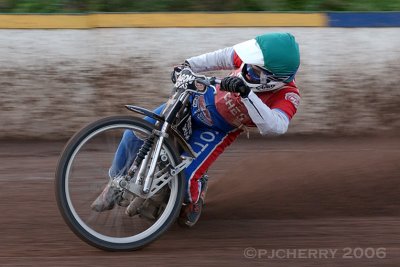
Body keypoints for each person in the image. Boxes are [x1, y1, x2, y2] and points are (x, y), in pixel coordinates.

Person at [91, 32, 301, 227]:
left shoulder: (288, 95)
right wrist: (188, 65)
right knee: (134, 134)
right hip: (191, 101)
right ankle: (114, 183)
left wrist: (247, 93)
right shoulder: (251, 59)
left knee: (186, 179)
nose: (246, 69)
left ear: (272, 80)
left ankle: (195, 196)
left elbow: (276, 126)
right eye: (248, 63)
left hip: (218, 130)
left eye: (254, 71)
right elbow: (222, 56)